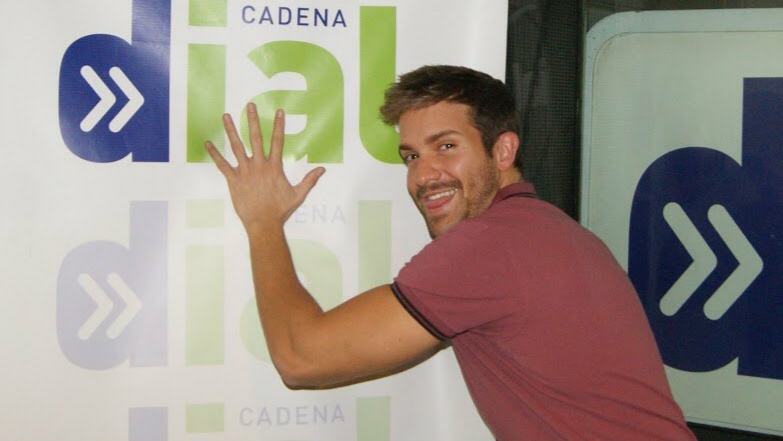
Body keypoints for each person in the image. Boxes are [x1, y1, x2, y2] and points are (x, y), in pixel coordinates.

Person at [205, 65, 696, 441]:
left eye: (446, 146)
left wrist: (263, 221)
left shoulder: (489, 246)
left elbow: (301, 358)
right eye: (412, 156)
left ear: (503, 152)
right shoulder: (547, 230)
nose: (423, 174)